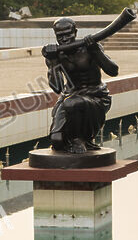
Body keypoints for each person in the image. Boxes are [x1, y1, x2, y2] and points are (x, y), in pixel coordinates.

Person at [42, 17, 118, 154]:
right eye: (60, 36)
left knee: (72, 103)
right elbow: (57, 88)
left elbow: (113, 71)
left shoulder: (89, 49)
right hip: (69, 96)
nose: (64, 39)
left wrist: (96, 51)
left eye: (68, 34)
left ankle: (79, 139)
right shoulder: (56, 55)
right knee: (57, 141)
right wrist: (53, 62)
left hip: (96, 96)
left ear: (75, 32)